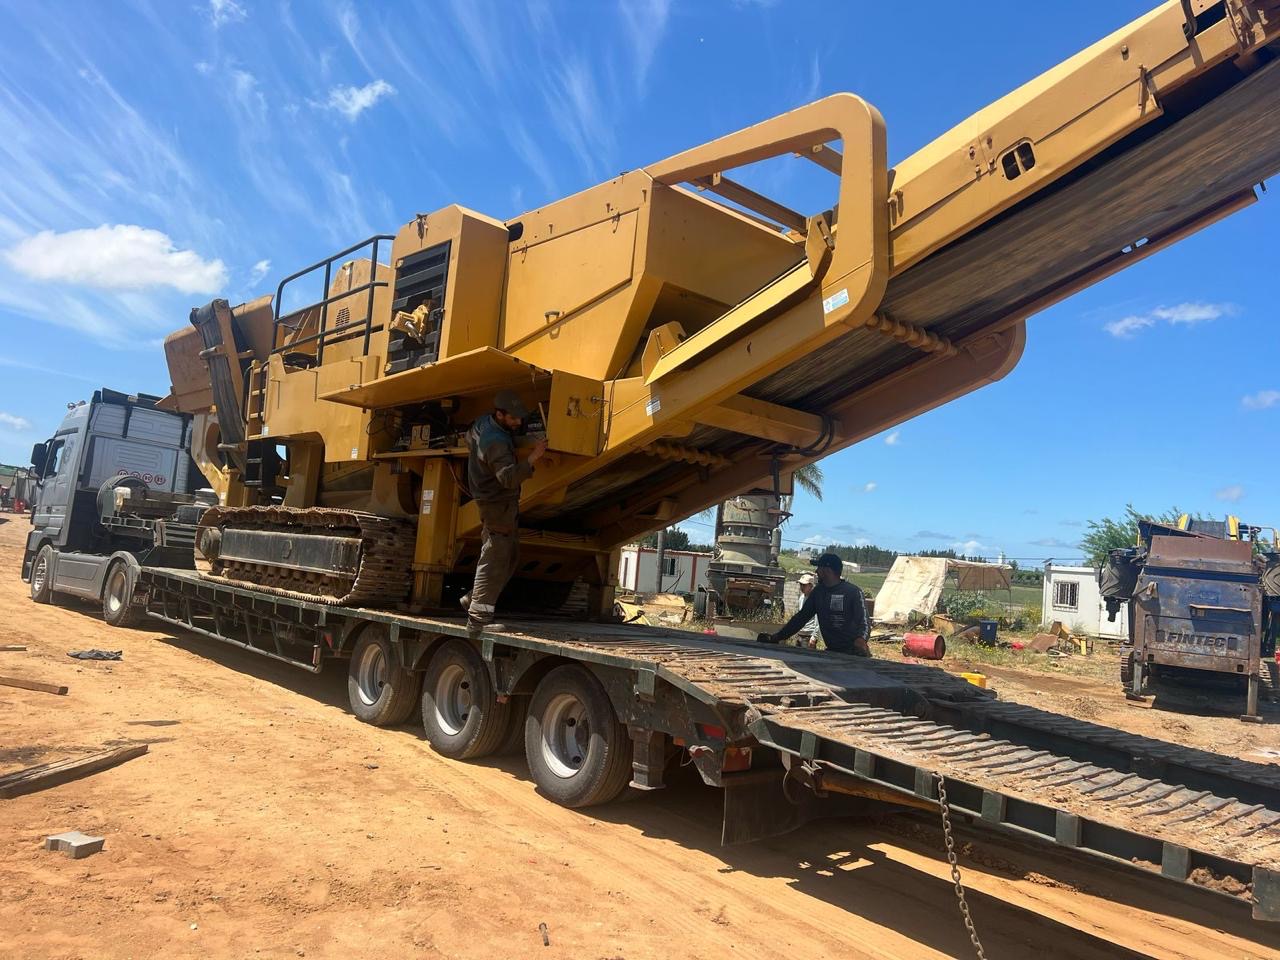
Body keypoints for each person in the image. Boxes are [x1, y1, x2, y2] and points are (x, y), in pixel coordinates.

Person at [463, 389, 547, 637]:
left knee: (509, 555)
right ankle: (477, 621)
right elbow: (507, 478)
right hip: (497, 502)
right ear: (500, 415)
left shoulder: (483, 425)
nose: (518, 422)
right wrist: (533, 457)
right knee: (495, 556)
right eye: (513, 419)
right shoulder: (496, 442)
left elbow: (470, 439)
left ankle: (472, 599)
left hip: (494, 501)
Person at [761, 553, 869, 656]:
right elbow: (800, 618)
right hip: (832, 652)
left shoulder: (853, 592)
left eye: (819, 568)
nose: (816, 571)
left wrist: (861, 640)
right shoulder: (818, 593)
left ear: (827, 570)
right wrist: (777, 637)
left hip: (854, 653)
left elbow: (864, 622)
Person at [795, 572, 821, 649]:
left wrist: (814, 636)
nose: (802, 587)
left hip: (809, 635)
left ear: (811, 585)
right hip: (800, 634)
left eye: (804, 585)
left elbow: (818, 619)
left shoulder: (815, 599)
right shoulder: (801, 598)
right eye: (801, 585)